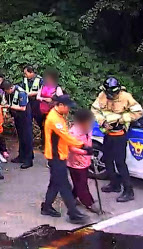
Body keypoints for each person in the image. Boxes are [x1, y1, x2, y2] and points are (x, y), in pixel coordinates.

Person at [91, 77, 143, 203]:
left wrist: (121, 119)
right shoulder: (102, 95)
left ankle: (128, 191)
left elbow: (138, 112)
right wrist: (102, 122)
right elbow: (94, 110)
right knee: (107, 160)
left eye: (113, 94)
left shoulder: (126, 97)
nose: (111, 96)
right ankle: (114, 184)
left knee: (120, 163)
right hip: (108, 133)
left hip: (119, 135)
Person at [41, 94, 91, 224]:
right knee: (64, 186)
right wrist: (83, 146)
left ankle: (46, 207)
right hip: (56, 156)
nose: (69, 109)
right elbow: (66, 137)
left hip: (59, 155)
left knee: (55, 183)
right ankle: (73, 213)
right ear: (61, 105)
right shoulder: (54, 119)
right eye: (68, 107)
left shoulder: (58, 116)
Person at [68, 109, 101, 214]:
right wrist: (85, 152)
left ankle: (71, 197)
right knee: (82, 183)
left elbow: (89, 140)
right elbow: (71, 148)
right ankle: (88, 202)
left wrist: (90, 151)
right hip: (75, 162)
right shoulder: (73, 132)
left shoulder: (88, 129)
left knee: (79, 182)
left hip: (85, 161)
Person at [1, 80, 33, 169]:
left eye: (6, 91)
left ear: (10, 88)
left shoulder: (21, 93)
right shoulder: (10, 93)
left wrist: (9, 107)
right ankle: (22, 156)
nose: (6, 93)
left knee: (27, 138)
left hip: (24, 117)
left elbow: (23, 108)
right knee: (21, 137)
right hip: (17, 117)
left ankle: (28, 159)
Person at [37, 69, 64, 149]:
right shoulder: (43, 86)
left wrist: (53, 100)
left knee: (53, 128)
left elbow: (61, 100)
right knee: (43, 127)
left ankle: (53, 145)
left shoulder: (57, 88)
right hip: (43, 110)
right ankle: (44, 144)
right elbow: (37, 96)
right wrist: (45, 99)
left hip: (53, 111)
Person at [23, 65, 44, 140]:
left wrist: (33, 93)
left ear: (31, 72)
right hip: (28, 103)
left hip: (38, 103)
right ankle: (29, 140)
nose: (25, 75)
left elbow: (43, 91)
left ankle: (43, 141)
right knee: (27, 122)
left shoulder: (40, 80)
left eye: (26, 73)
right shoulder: (25, 80)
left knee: (42, 123)